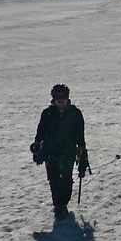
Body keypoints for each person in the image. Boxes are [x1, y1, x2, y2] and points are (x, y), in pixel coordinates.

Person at [31, 84, 89, 218]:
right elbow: (40, 131)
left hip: (68, 153)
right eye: (57, 97)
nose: (60, 100)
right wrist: (36, 145)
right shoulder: (47, 114)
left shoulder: (75, 113)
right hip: (50, 153)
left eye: (62, 97)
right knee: (54, 180)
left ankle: (63, 203)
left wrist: (82, 152)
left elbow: (80, 135)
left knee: (67, 180)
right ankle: (59, 206)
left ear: (67, 97)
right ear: (53, 98)